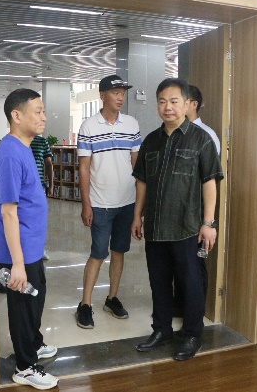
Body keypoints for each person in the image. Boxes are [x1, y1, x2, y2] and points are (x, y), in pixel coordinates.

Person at [131, 78, 224, 361]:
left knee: (190, 283)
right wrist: (137, 216)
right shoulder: (151, 140)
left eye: (173, 101)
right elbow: (142, 182)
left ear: (186, 104)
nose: (167, 107)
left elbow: (210, 183)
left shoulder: (201, 139)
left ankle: (193, 335)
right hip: (156, 225)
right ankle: (161, 330)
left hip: (187, 226)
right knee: (158, 282)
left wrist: (209, 223)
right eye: (162, 101)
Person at [0, 88, 58, 389]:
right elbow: (8, 211)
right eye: (38, 111)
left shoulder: (24, 148)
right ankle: (25, 366)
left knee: (35, 299)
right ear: (16, 116)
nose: (44, 117)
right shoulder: (9, 154)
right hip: (18, 252)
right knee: (23, 308)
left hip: (30, 248)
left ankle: (33, 343)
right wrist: (17, 263)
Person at [75, 74, 142, 329]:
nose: (120, 97)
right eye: (115, 92)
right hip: (100, 202)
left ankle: (112, 298)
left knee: (119, 252)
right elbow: (84, 169)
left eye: (122, 93)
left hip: (127, 202)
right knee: (98, 253)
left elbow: (137, 166)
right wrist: (86, 204)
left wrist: (139, 206)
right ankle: (85, 304)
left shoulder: (131, 124)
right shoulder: (89, 127)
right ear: (102, 95)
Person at [171, 85, 222, 318]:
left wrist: (207, 220)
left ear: (192, 104)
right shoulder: (174, 132)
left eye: (180, 101)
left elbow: (209, 178)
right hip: (177, 208)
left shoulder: (206, 135)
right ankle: (179, 305)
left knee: (195, 262)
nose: (174, 107)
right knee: (178, 260)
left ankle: (195, 313)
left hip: (198, 210)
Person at [30, 134, 54, 260]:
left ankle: (40, 249)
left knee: (39, 220)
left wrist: (51, 184)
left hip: (39, 186)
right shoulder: (19, 140)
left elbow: (48, 164)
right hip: (23, 187)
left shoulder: (42, 142)